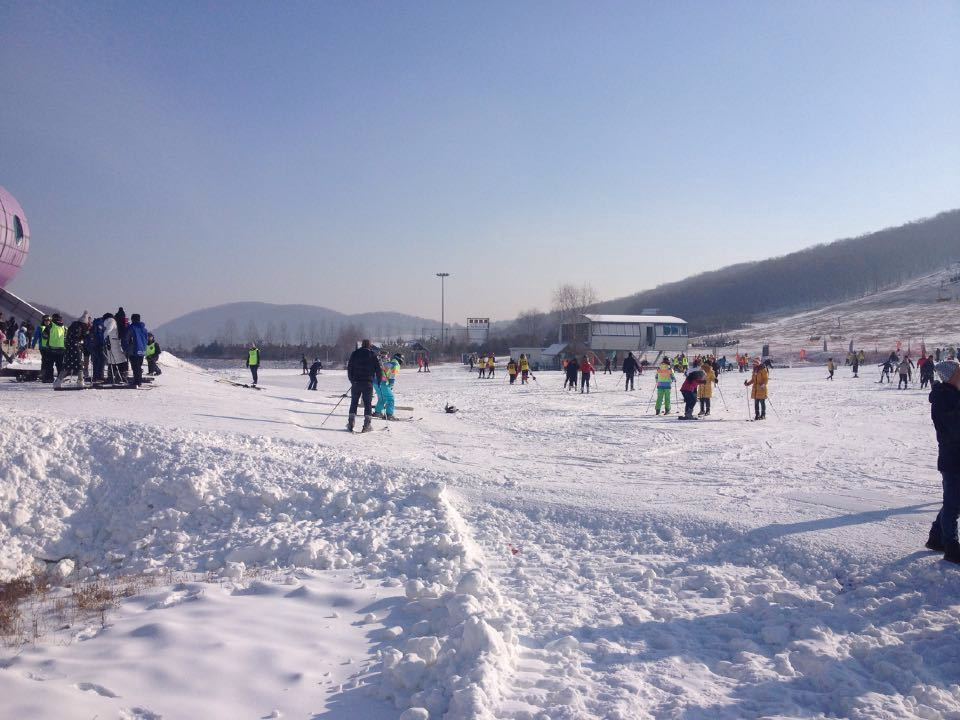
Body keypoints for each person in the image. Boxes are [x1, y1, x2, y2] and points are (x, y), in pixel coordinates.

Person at [926, 359, 960, 563]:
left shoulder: (954, 395)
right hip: (952, 457)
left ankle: (936, 538)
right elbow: (954, 428)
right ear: (950, 376)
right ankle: (951, 547)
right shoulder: (943, 399)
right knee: (952, 504)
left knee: (954, 502)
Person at [346, 340, 383, 432]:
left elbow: (349, 367)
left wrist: (351, 380)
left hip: (356, 382)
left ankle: (351, 422)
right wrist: (379, 380)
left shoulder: (355, 353)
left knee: (354, 402)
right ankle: (367, 425)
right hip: (368, 383)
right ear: (370, 346)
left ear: (362, 345)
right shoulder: (373, 355)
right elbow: (378, 369)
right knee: (367, 403)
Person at [55, 312, 91, 389]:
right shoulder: (79, 327)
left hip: (70, 348)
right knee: (79, 364)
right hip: (74, 348)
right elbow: (77, 337)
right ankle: (80, 381)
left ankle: (58, 381)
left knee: (68, 365)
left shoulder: (74, 325)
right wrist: (84, 336)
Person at [124, 313, 150, 387]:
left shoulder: (131, 328)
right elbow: (146, 340)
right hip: (142, 350)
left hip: (134, 350)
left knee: (135, 367)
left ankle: (136, 382)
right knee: (139, 366)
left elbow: (126, 338)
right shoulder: (144, 329)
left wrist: (126, 348)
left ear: (132, 319)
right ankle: (139, 381)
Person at [102, 313, 127, 384]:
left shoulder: (110, 321)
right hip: (114, 343)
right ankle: (120, 376)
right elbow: (109, 331)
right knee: (118, 360)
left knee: (113, 361)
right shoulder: (112, 321)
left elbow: (107, 331)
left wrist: (104, 338)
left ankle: (112, 377)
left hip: (111, 343)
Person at [43, 313, 67, 383]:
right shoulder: (64, 327)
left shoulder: (50, 326)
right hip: (62, 349)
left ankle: (49, 378)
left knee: (49, 365)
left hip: (51, 349)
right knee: (60, 365)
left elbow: (44, 335)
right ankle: (60, 378)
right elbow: (66, 338)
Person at [33, 315, 52, 381]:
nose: (47, 322)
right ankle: (43, 374)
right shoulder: (40, 328)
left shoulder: (52, 328)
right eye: (45, 320)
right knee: (44, 360)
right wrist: (33, 345)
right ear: (43, 321)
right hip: (43, 347)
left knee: (49, 361)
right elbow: (36, 337)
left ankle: (48, 374)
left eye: (48, 320)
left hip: (50, 347)